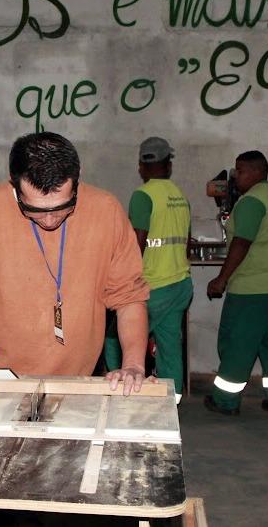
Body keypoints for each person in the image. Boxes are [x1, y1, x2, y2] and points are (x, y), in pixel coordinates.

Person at [0, 132, 150, 395]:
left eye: (63, 207)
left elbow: (130, 297)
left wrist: (133, 365)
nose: (50, 220)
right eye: (35, 210)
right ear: (14, 182)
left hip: (77, 383)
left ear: (77, 180)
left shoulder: (106, 211)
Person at [205, 150, 268, 416]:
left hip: (253, 290)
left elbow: (241, 243)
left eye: (241, 171)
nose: (236, 177)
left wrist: (221, 279)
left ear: (258, 172)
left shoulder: (251, 202)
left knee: (238, 344)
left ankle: (225, 401)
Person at [104, 137, 192, 403]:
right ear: (168, 164)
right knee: (169, 348)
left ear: (142, 165)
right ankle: (171, 402)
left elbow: (136, 244)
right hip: (180, 284)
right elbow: (185, 240)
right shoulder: (179, 195)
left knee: (114, 338)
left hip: (153, 287)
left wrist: (120, 282)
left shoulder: (143, 196)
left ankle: (118, 394)